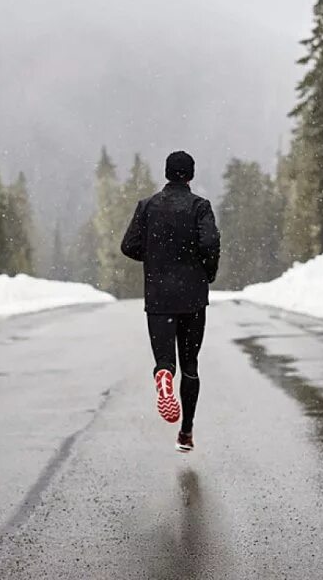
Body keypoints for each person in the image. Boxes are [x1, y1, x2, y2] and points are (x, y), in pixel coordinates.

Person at [120, 151, 220, 453]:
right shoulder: (200, 207)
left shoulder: (147, 206)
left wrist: (155, 257)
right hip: (192, 296)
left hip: (159, 297)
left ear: (166, 173)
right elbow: (210, 243)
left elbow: (129, 246)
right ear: (190, 175)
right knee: (190, 365)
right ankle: (186, 432)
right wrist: (206, 272)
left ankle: (163, 375)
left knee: (165, 360)